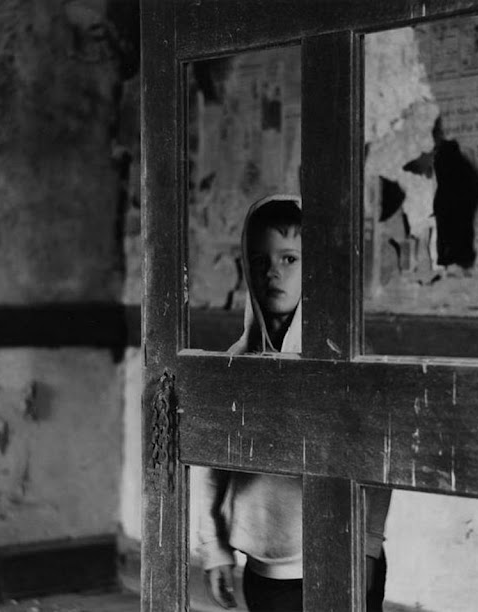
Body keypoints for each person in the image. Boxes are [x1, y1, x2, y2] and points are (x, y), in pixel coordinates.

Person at [198, 194, 390, 612]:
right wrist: (214, 547)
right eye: (260, 260)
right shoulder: (235, 362)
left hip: (337, 559)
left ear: (316, 267)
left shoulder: (349, 356)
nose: (272, 273)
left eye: (289, 259)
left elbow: (378, 462)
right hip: (261, 567)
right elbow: (212, 466)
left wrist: (366, 548)